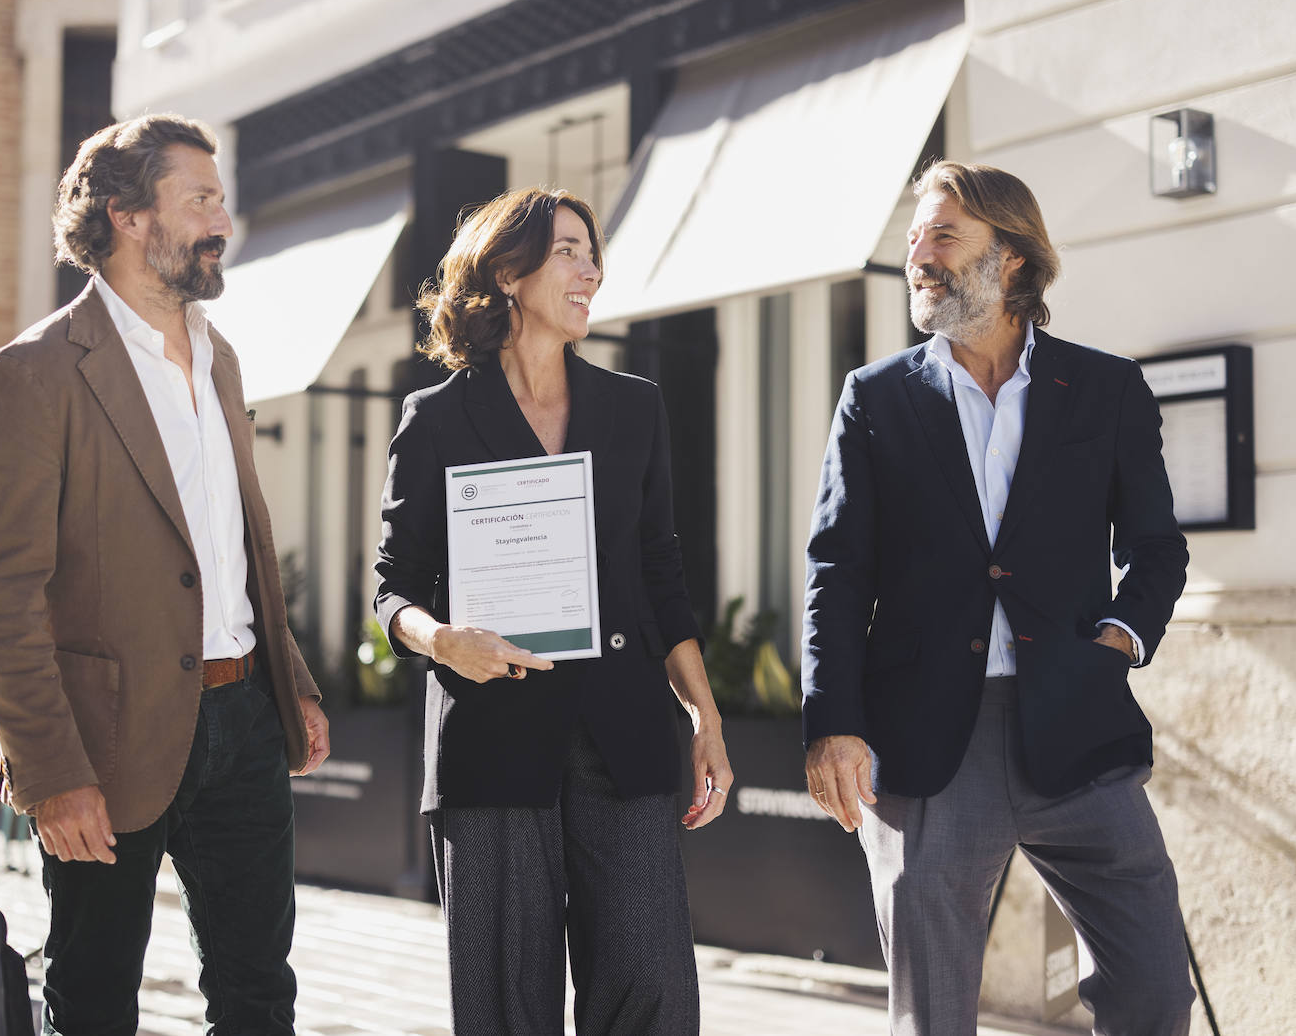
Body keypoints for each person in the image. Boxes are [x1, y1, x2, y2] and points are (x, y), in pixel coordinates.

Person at [801, 160, 1196, 1035]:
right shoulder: (876, 398)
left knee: (1156, 991)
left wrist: (1121, 641)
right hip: (930, 745)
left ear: (1011, 258)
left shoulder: (1105, 389)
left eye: (943, 235)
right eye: (915, 240)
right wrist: (833, 718)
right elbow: (838, 567)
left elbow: (1158, 549)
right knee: (933, 1016)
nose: (920, 256)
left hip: (1077, 725)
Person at [0, 114, 330, 1036]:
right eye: (201, 197)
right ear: (127, 215)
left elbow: (234, 550)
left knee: (260, 995)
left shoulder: (222, 359)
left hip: (245, 723)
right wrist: (50, 773)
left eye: (221, 198)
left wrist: (293, 686)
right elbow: (2, 595)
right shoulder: (34, 373)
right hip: (102, 742)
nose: (223, 219)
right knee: (93, 1002)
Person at [375, 187, 731, 1035]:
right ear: (507, 271)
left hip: (626, 734)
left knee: (649, 985)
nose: (590, 270)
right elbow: (393, 587)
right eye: (569, 250)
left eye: (591, 252)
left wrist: (705, 715)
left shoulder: (633, 406)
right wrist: (443, 641)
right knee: (505, 1005)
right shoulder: (435, 421)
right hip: (491, 743)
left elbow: (661, 572)